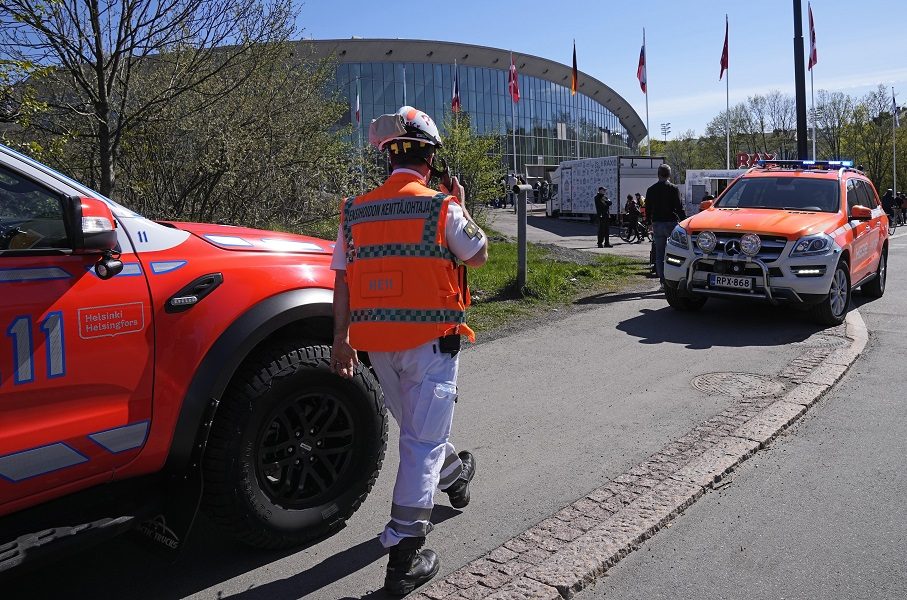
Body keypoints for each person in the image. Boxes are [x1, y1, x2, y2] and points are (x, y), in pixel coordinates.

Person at [330, 105, 488, 596]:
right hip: (431, 347)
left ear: (387, 158)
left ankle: (455, 476)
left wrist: (341, 339)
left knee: (419, 431)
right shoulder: (441, 207)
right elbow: (478, 255)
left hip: (376, 349)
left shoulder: (355, 211)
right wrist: (462, 205)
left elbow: (341, 279)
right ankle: (405, 551)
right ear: (429, 158)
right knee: (419, 443)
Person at [645, 164, 685, 289]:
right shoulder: (674, 188)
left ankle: (662, 282)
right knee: (676, 251)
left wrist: (649, 224)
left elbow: (648, 209)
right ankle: (673, 279)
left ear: (658, 174)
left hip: (657, 223)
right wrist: (684, 221)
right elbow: (679, 207)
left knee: (659, 253)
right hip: (671, 223)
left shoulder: (651, 189)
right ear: (669, 175)